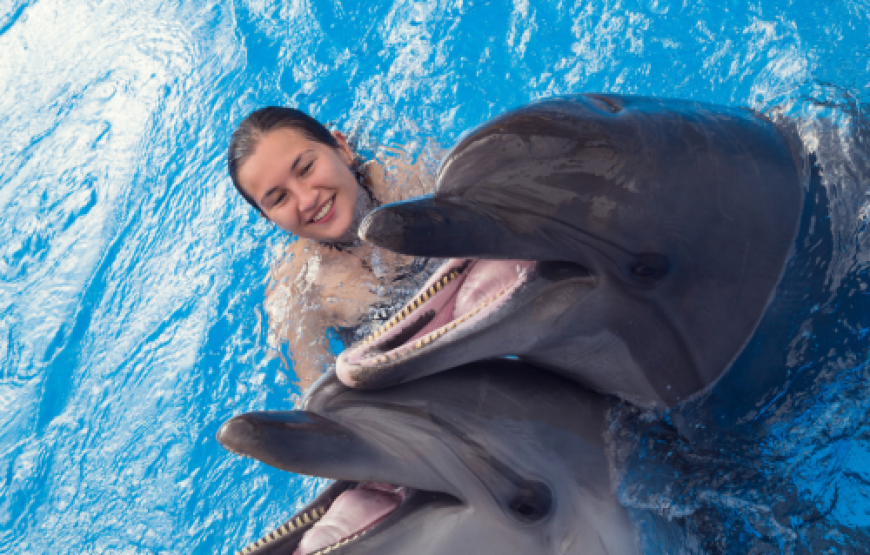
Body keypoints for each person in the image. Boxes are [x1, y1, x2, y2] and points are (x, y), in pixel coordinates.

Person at [227, 107, 438, 389]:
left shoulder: (415, 181)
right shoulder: (297, 291)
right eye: (279, 199)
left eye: (306, 168)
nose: (307, 200)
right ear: (268, 219)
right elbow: (316, 402)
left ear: (341, 148)